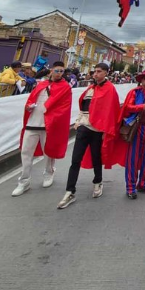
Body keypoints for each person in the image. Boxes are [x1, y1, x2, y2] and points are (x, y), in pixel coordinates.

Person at [58, 63, 120, 209]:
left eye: (99, 72)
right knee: (75, 160)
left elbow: (112, 111)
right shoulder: (90, 89)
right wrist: (78, 122)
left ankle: (97, 182)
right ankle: (70, 191)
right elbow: (83, 108)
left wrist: (107, 131)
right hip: (84, 128)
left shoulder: (110, 89)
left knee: (96, 158)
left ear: (106, 73)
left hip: (98, 130)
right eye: (94, 71)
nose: (95, 74)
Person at [107, 70, 145, 199]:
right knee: (133, 159)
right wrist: (140, 107)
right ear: (141, 80)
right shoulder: (135, 92)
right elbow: (127, 107)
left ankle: (143, 183)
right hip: (137, 128)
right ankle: (130, 187)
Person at [13, 63, 72, 196]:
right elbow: (30, 100)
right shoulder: (41, 84)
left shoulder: (65, 87)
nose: (59, 73)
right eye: (57, 70)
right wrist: (29, 106)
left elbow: (64, 107)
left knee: (48, 152)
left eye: (62, 71)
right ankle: (24, 181)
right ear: (51, 70)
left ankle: (48, 173)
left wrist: (51, 113)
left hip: (48, 125)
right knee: (26, 152)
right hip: (32, 122)